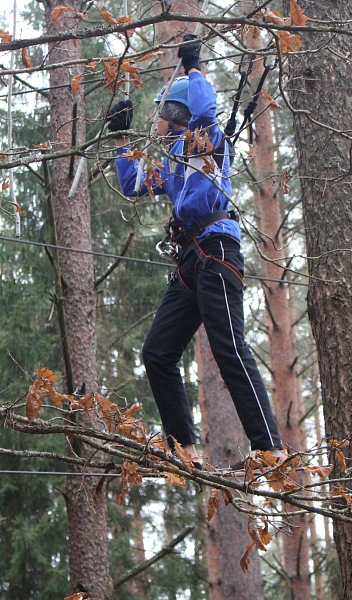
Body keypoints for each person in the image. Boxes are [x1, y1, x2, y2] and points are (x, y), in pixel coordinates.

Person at [106, 34, 284, 471]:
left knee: (228, 347)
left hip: (217, 250)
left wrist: (194, 68)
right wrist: (121, 136)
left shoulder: (204, 140)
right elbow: (132, 183)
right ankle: (183, 446)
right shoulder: (172, 162)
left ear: (175, 114)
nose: (156, 122)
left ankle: (270, 448)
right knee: (158, 352)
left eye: (160, 114)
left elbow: (204, 111)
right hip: (191, 258)